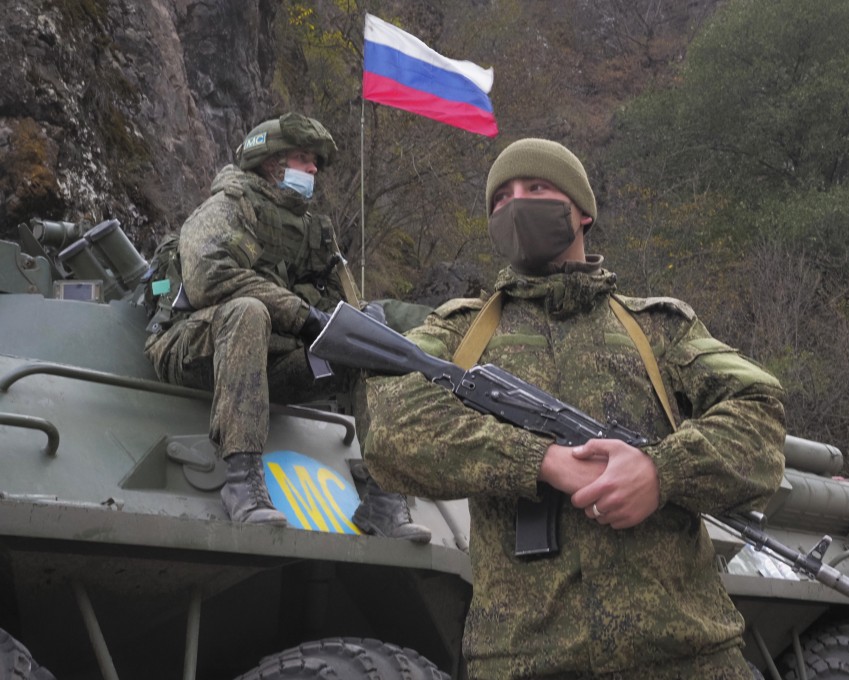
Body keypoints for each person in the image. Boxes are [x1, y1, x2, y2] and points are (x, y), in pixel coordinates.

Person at [362, 138, 786, 678]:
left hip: (688, 655)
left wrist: (661, 472)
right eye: (501, 199)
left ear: (583, 212)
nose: (516, 205)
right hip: (523, 661)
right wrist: (538, 461)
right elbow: (389, 425)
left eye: (537, 188)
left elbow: (760, 413)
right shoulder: (457, 331)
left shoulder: (659, 328)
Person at [143, 112, 430, 542]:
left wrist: (363, 322)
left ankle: (384, 498)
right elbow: (207, 277)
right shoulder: (228, 204)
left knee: (368, 343)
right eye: (302, 158)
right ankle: (242, 482)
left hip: (270, 364)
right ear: (270, 161)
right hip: (192, 347)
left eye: (315, 161)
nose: (312, 169)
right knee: (248, 312)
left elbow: (341, 304)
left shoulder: (314, 230)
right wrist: (302, 316)